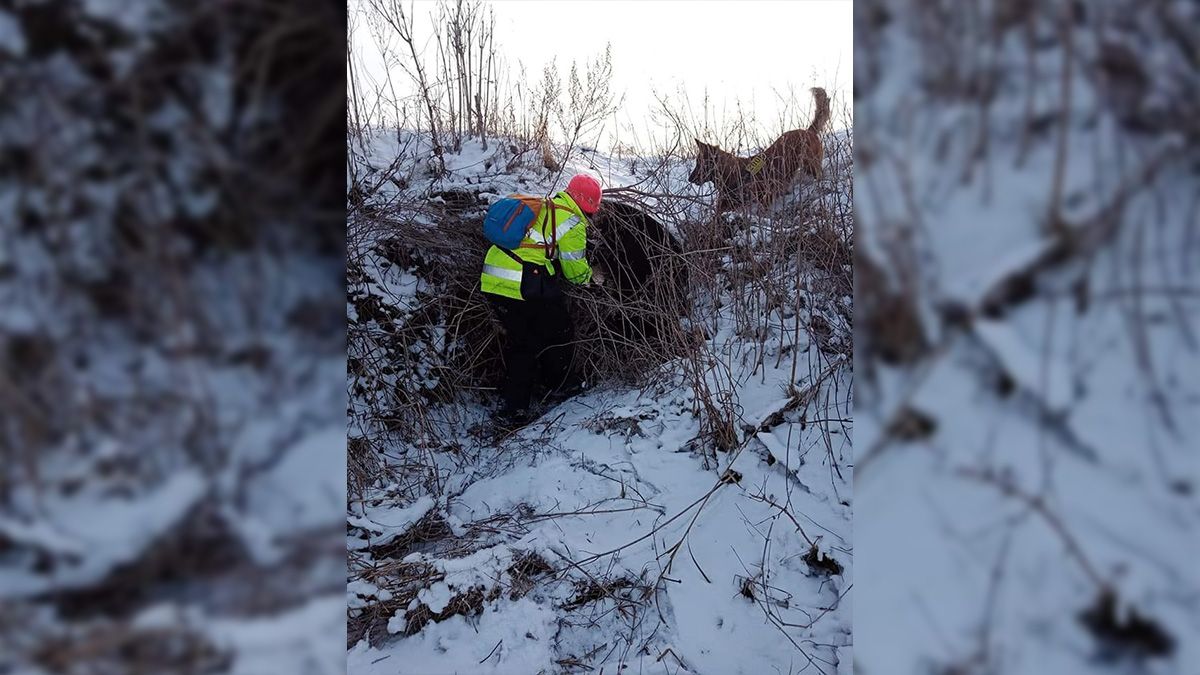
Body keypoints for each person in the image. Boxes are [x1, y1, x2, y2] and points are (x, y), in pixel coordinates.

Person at [480, 173, 602, 428]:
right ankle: (553, 390)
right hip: (518, 282)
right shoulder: (572, 221)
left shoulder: (545, 206)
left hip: (493, 277)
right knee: (558, 330)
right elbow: (574, 270)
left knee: (524, 340)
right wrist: (594, 280)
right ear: (588, 205)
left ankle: (518, 402)